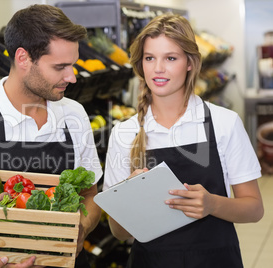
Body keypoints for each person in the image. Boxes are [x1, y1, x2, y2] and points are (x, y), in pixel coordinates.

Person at [0, 4, 103, 268]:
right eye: (60, 67)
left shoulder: (75, 114)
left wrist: (81, 228)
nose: (72, 77)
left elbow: (91, 194)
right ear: (23, 59)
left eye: (73, 65)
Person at [102, 13, 264, 267]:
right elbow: (119, 232)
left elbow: (254, 209)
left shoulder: (224, 123)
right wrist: (130, 199)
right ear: (140, 64)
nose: (158, 69)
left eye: (170, 58)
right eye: (149, 58)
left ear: (190, 62)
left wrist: (212, 204)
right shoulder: (124, 134)